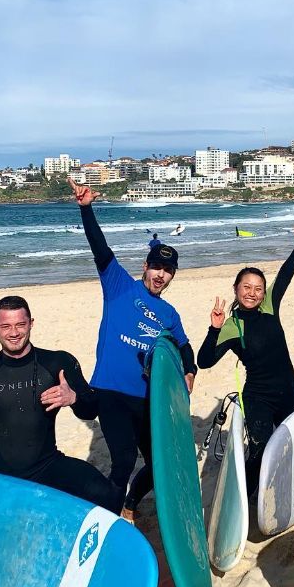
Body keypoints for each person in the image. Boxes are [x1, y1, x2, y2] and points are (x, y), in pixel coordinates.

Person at [69, 179, 197, 517]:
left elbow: (184, 346)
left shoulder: (169, 314)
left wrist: (189, 371)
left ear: (172, 276)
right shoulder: (119, 286)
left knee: (159, 465)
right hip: (110, 391)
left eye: (168, 271)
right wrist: (86, 209)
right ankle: (109, 517)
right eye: (157, 267)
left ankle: (128, 503)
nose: (161, 275)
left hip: (146, 397)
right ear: (146, 265)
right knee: (123, 459)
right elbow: (100, 247)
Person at [0, 295, 116, 510]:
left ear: (31, 324)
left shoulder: (58, 362)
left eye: (20, 324)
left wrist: (73, 398)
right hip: (4, 475)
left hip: (49, 465)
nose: (14, 333)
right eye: (5, 326)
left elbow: (90, 411)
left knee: (106, 494)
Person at [197, 226, 294, 494]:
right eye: (246, 287)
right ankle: (246, 497)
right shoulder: (231, 325)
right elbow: (204, 361)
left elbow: (285, 275)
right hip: (258, 395)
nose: (252, 292)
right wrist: (213, 329)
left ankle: (288, 490)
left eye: (258, 288)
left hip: (289, 390)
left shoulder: (269, 306)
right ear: (235, 289)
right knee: (259, 450)